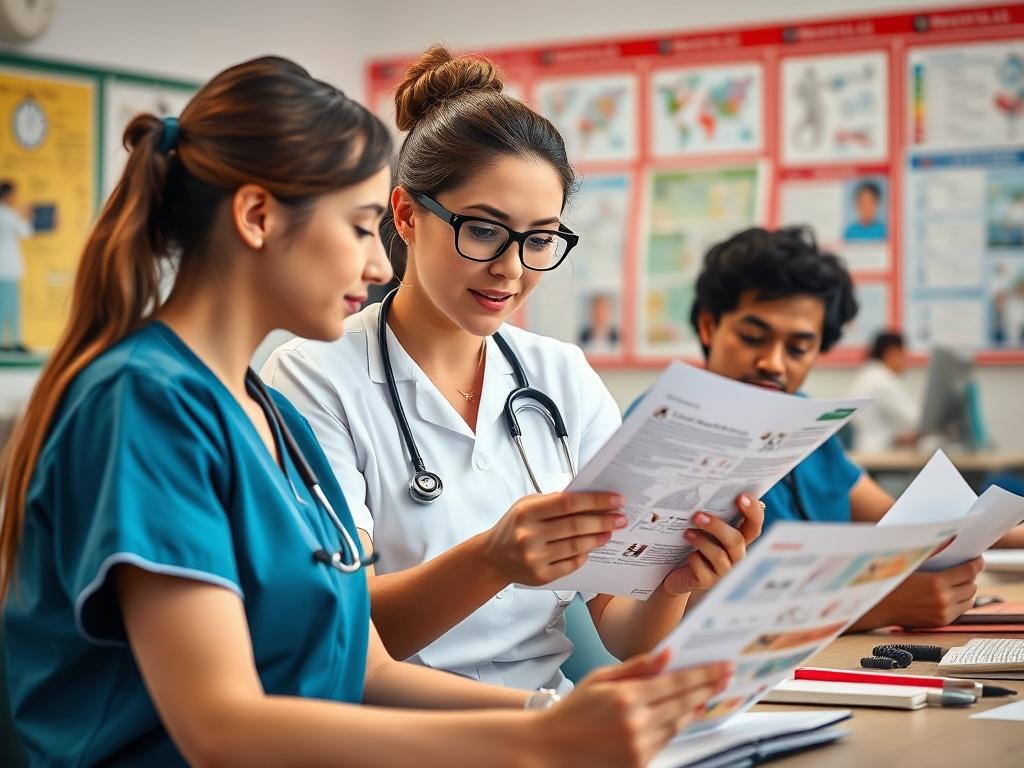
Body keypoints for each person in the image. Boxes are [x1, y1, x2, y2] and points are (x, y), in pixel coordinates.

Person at [0, 57, 731, 767]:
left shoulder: (259, 414)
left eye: (539, 240)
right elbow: (220, 729)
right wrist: (536, 740)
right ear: (257, 216)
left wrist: (559, 716)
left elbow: (361, 666)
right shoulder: (151, 405)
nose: (379, 265)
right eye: (359, 226)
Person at [262, 46, 763, 695]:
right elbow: (343, 632)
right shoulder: (313, 376)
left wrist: (677, 582)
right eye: (484, 230)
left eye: (539, 239)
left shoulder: (562, 378)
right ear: (407, 215)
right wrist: (493, 560)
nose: (512, 268)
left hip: (552, 719)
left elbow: (620, 627)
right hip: (400, 733)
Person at [683, 226, 985, 630]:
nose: (774, 362)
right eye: (753, 336)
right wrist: (872, 606)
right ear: (708, 327)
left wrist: (1003, 528)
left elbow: (902, 522)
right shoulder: (673, 427)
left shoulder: (806, 420)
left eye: (798, 348)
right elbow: (677, 610)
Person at [847, 331, 920, 451]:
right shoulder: (882, 380)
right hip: (876, 454)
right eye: (904, 355)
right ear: (891, 353)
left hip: (866, 448)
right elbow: (915, 420)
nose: (907, 362)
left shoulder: (869, 374)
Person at [0, 181, 33, 352]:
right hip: (8, 270)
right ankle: (14, 342)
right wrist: (26, 216)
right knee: (11, 308)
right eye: (14, 194)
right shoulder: (9, 215)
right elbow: (26, 232)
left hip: (3, 269)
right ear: (7, 196)